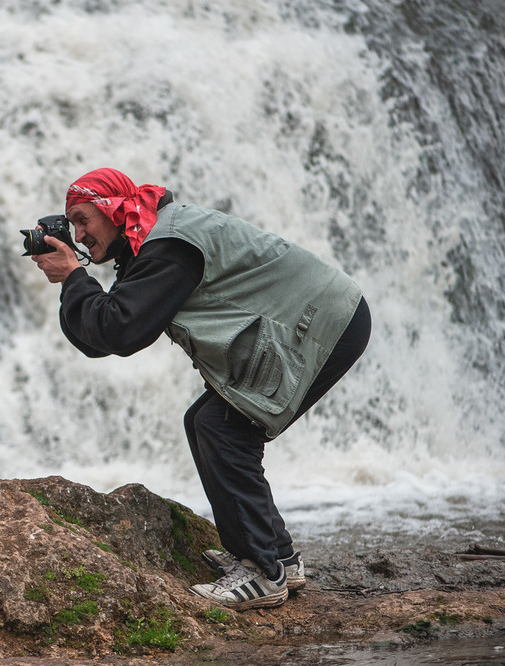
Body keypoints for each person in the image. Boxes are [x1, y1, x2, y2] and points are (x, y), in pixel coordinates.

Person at [30, 167, 370, 611]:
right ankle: (279, 557)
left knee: (222, 429)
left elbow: (121, 331)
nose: (78, 232)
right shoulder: (148, 240)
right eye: (71, 223)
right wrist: (73, 281)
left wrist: (76, 277)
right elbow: (105, 334)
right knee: (208, 422)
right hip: (324, 318)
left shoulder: (168, 248)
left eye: (82, 219)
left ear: (112, 209)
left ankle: (263, 573)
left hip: (326, 322)